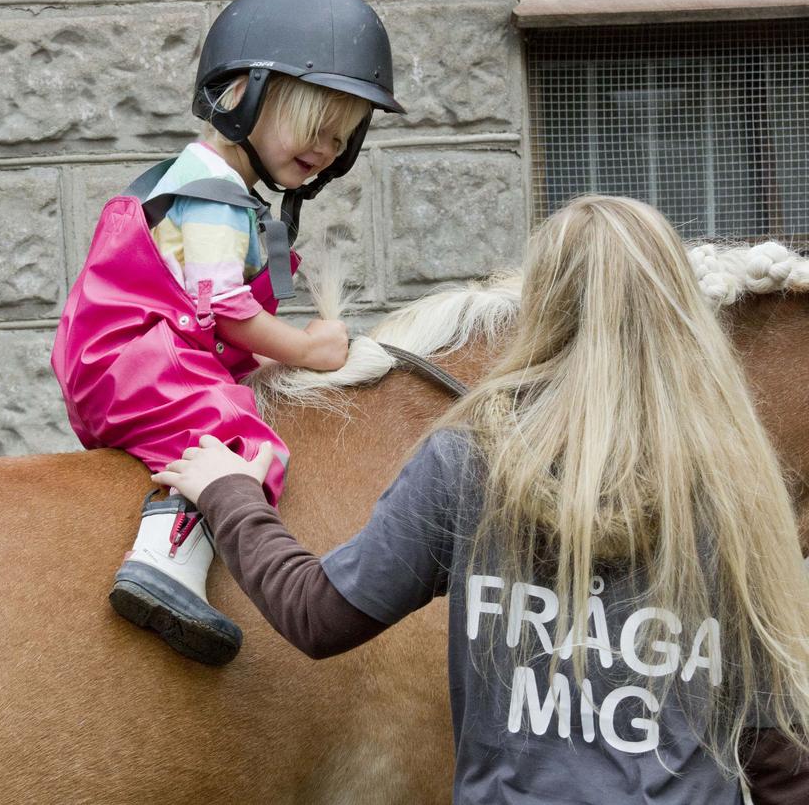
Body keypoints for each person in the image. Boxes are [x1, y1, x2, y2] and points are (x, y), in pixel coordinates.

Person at [154, 195, 809, 803]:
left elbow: (318, 614)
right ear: (677, 312)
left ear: (543, 307)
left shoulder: (469, 461)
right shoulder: (734, 488)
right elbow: (775, 751)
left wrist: (231, 493)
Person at [51, 0, 405, 666]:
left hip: (140, 354)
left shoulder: (214, 187)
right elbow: (228, 314)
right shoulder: (214, 197)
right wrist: (305, 348)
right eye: (317, 125)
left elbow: (213, 325)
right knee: (244, 439)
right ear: (245, 94)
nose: (328, 149)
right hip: (132, 360)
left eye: (343, 138)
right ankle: (165, 559)